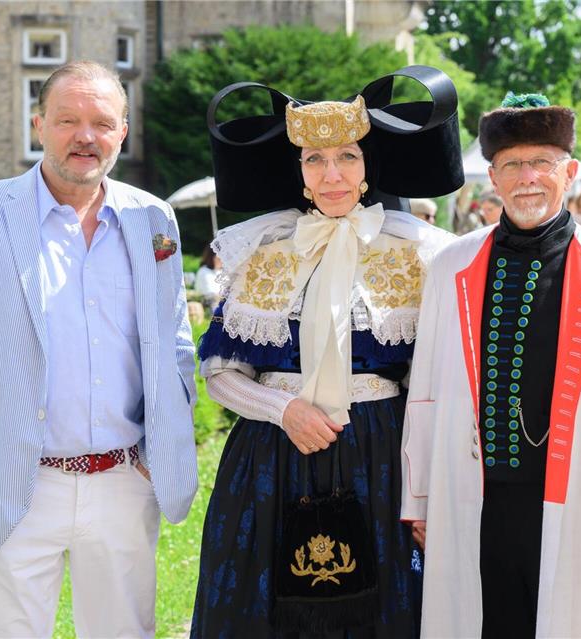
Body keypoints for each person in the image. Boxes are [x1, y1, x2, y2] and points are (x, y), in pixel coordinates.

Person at [0, 61, 197, 637]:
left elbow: (175, 343)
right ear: (38, 125)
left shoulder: (155, 218)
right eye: (67, 120)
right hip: (11, 481)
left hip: (125, 483)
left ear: (123, 131)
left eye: (103, 122)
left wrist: (164, 445)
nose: (85, 136)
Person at [190, 72, 459, 637]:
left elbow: (438, 383)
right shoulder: (263, 253)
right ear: (299, 172)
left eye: (347, 156)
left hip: (380, 454)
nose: (332, 174)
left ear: (369, 167)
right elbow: (219, 371)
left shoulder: (420, 256)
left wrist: (432, 486)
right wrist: (282, 410)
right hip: (273, 457)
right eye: (315, 159)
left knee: (377, 605)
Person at [401, 92, 581, 638]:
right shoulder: (450, 265)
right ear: (491, 180)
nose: (528, 178)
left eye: (541, 163)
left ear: (568, 173)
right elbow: (424, 386)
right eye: (512, 165)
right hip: (471, 492)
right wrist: (419, 495)